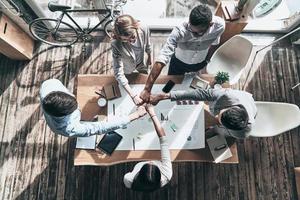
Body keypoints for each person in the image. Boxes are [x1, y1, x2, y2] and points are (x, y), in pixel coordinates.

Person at [139, 5, 225, 103]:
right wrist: (147, 89)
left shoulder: (219, 26)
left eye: (198, 33)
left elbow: (215, 43)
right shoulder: (179, 30)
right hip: (178, 63)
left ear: (210, 24)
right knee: (170, 83)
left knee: (192, 85)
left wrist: (207, 60)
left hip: (200, 63)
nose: (194, 35)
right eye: (192, 30)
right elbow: (162, 58)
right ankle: (166, 95)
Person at [40, 79, 146, 137]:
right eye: (73, 109)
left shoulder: (49, 84)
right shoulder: (69, 129)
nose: (77, 107)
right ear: (65, 114)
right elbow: (99, 128)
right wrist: (135, 115)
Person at [149, 88, 257, 139]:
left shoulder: (242, 133)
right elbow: (199, 93)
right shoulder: (226, 95)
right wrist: (164, 96)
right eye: (220, 113)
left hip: (252, 110)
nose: (216, 115)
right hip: (244, 100)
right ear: (229, 106)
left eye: (219, 119)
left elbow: (220, 130)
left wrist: (216, 128)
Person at [123, 104, 172, 192]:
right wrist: (152, 114)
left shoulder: (129, 180)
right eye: (153, 164)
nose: (150, 161)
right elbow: (164, 140)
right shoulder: (166, 174)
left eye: (147, 164)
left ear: (138, 174)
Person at [111, 14, 152, 105]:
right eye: (126, 40)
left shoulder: (144, 28)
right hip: (127, 67)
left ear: (136, 28)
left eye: (133, 36)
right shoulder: (115, 44)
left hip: (142, 63)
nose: (131, 41)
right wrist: (133, 96)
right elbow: (118, 72)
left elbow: (148, 45)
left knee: (144, 82)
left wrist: (149, 57)